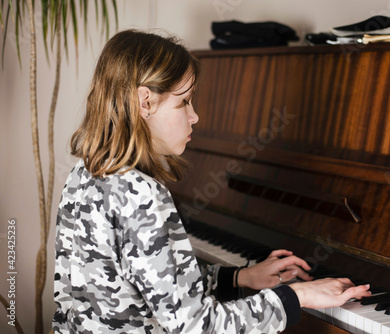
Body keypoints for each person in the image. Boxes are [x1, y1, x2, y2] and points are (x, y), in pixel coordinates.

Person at [52, 29, 371, 334]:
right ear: (145, 102)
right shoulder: (140, 193)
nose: (195, 116)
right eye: (184, 102)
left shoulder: (86, 171)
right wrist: (299, 296)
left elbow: (158, 284)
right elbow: (197, 326)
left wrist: (240, 277)